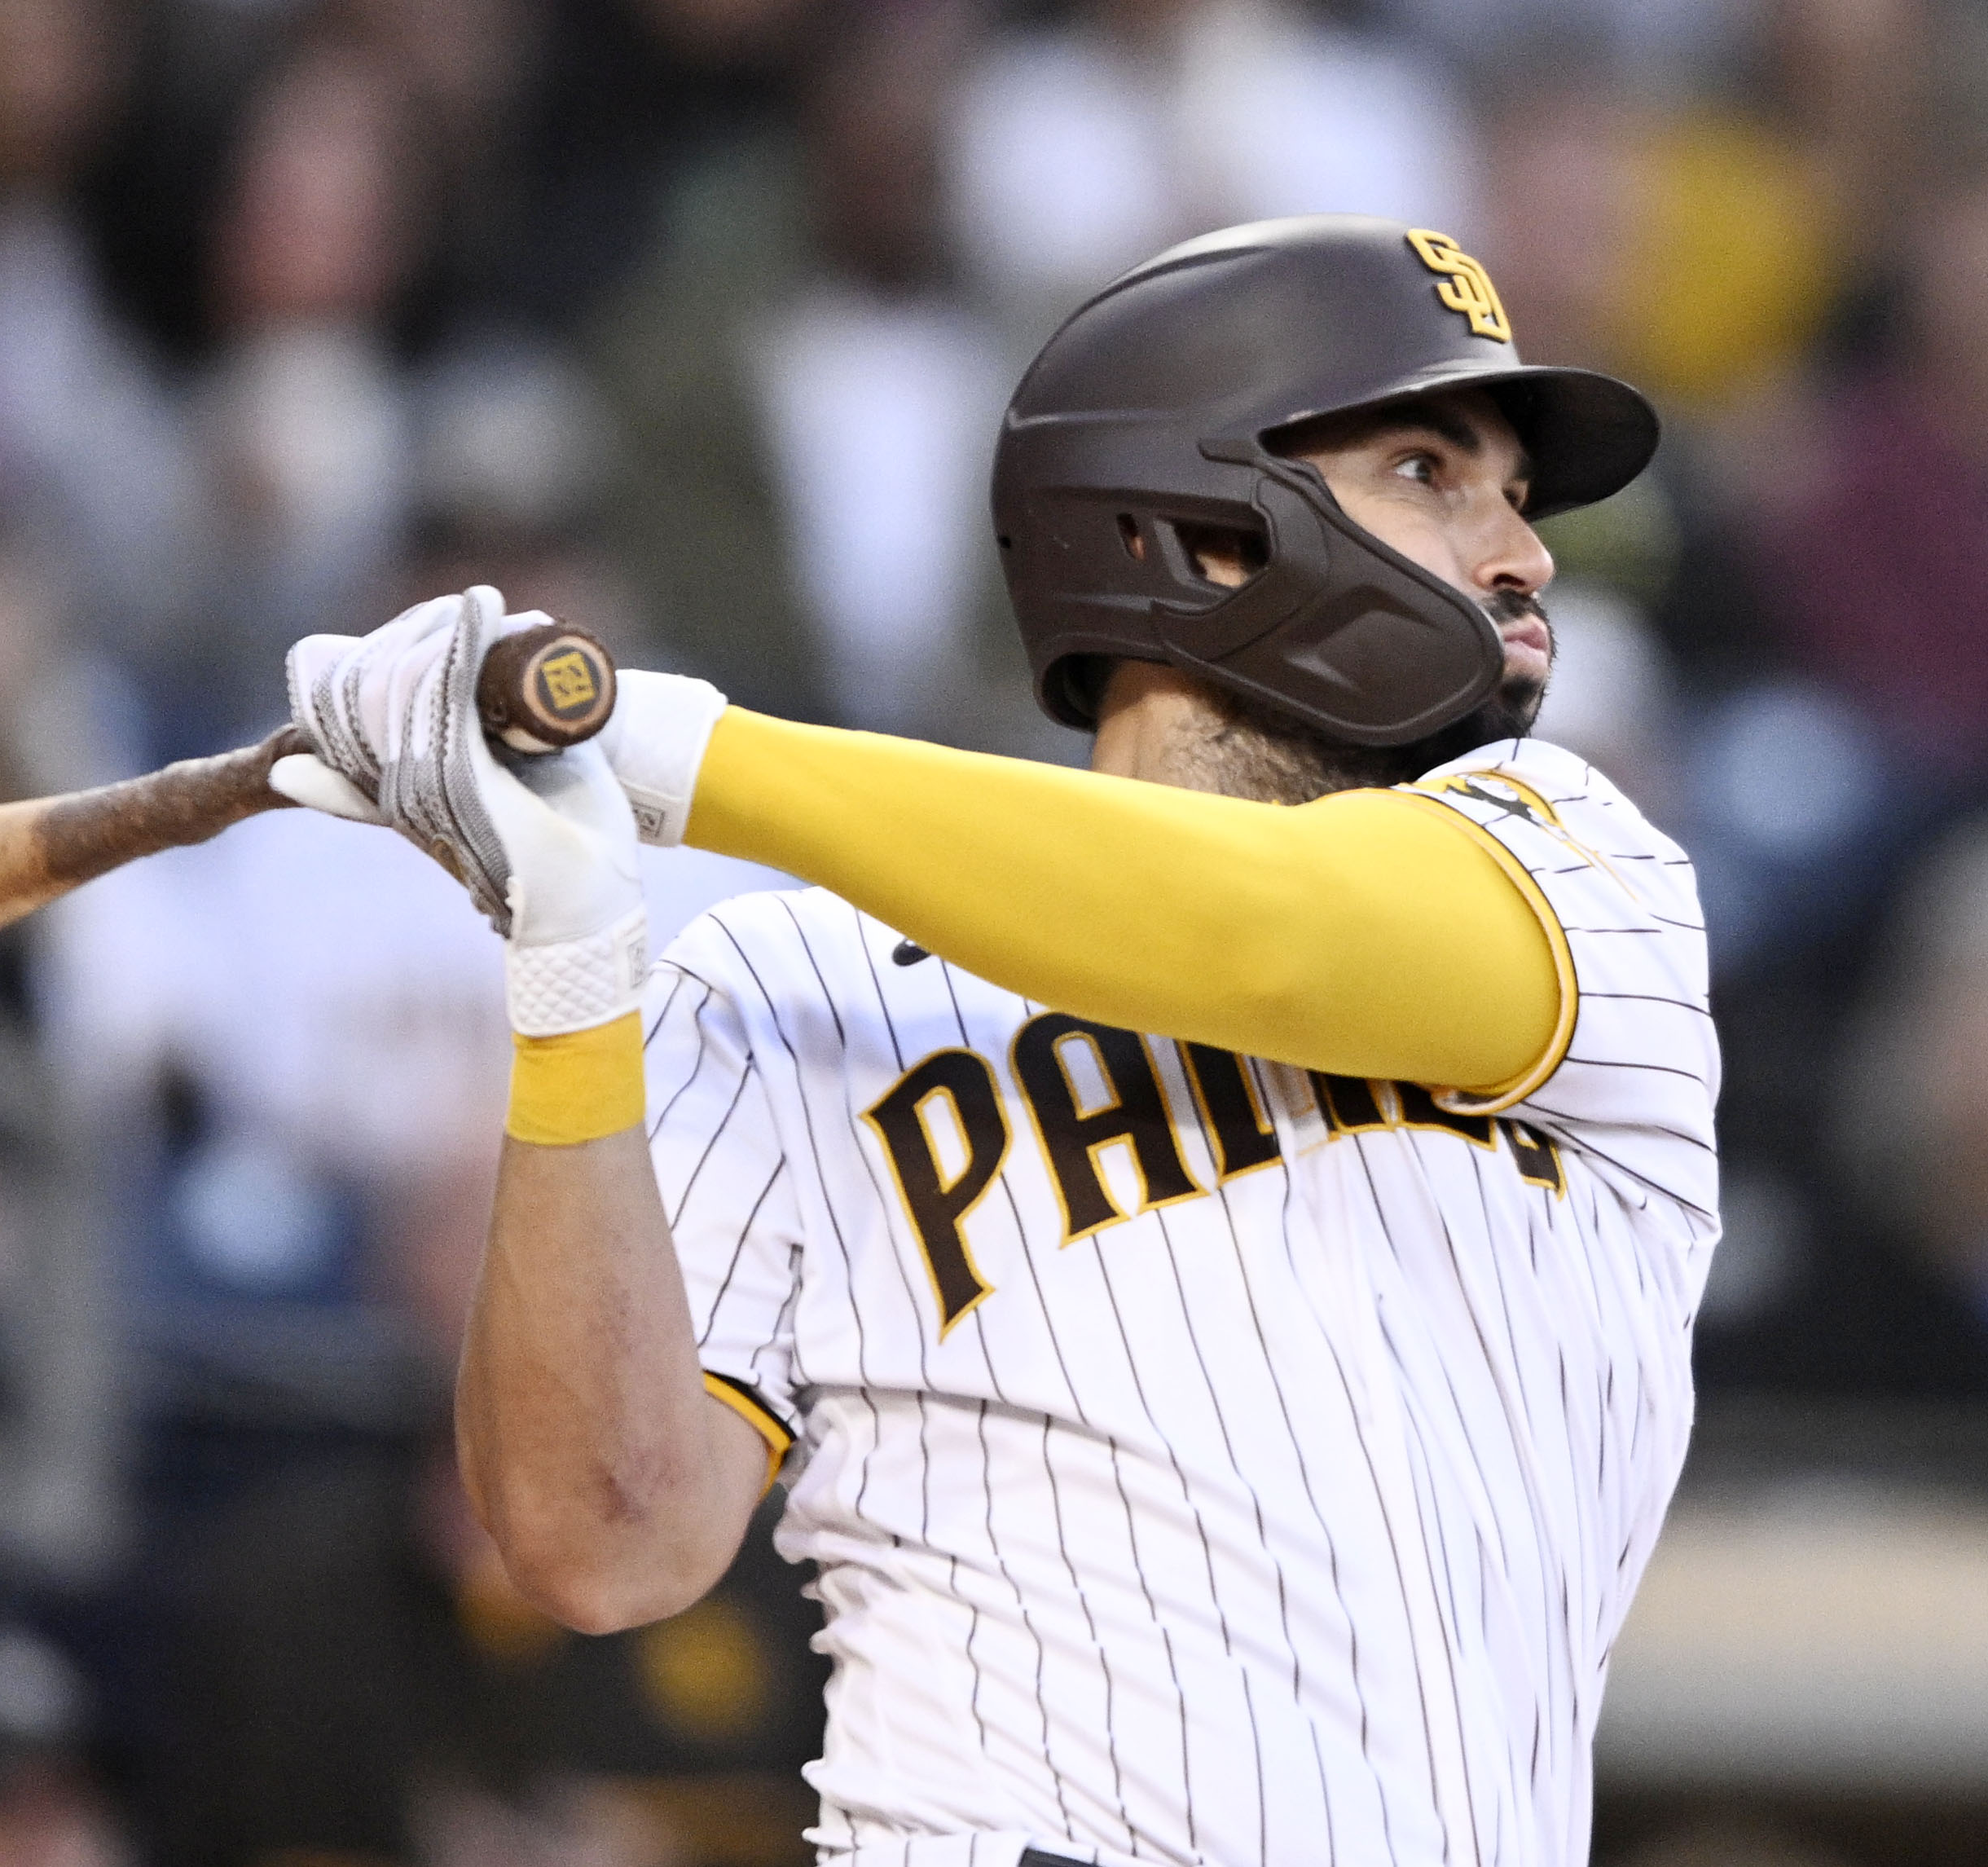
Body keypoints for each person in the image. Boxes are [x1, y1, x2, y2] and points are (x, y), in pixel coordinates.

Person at [275, 217, 1715, 1867]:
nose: (1520, 554)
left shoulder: (1581, 874)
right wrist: (572, 955)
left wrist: (669, 750)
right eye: (1426, 472)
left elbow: (1260, 930)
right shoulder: (798, 978)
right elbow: (602, 1544)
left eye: (1516, 497)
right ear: (1207, 532)